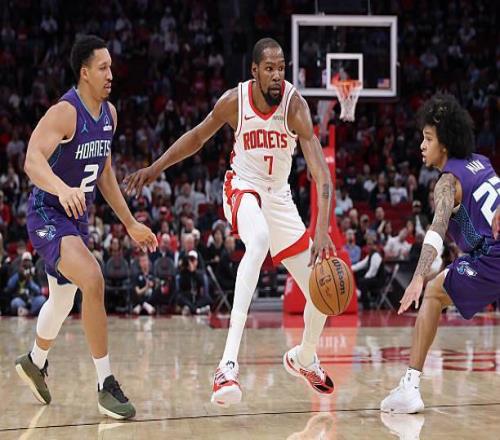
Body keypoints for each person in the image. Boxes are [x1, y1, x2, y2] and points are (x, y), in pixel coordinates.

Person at [125, 37, 335, 407]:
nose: (276, 75)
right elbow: (196, 138)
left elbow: (322, 175)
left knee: (322, 291)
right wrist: (155, 168)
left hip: (279, 198)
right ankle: (227, 365)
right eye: (269, 68)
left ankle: (304, 358)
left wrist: (321, 231)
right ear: (254, 71)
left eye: (281, 68)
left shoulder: (295, 106)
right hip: (242, 186)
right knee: (258, 241)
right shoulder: (234, 101)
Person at [15, 35, 157, 420]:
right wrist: (61, 189)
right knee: (93, 280)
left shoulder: (110, 114)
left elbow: (105, 174)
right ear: (84, 73)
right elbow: (31, 160)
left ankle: (34, 362)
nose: (110, 74)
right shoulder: (65, 112)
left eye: (111, 67)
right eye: (103, 68)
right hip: (47, 212)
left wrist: (130, 223)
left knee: (62, 300)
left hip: (76, 218)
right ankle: (105, 384)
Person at [381, 94, 500, 414]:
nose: (422, 145)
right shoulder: (482, 161)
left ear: (444, 143)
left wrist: (418, 277)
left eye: (428, 138)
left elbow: (436, 228)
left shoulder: (448, 182)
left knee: (433, 292)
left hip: (492, 257)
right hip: (487, 255)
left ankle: (410, 387)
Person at [7, 252, 45, 316]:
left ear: (31, 262)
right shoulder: (18, 272)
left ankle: (29, 312)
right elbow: (10, 285)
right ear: (22, 262)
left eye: (28, 261)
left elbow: (38, 290)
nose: (26, 263)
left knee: (42, 299)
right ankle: (26, 311)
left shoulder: (34, 272)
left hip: (32, 299)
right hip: (21, 299)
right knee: (15, 302)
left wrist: (29, 280)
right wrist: (19, 275)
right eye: (25, 261)